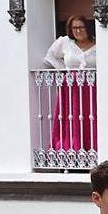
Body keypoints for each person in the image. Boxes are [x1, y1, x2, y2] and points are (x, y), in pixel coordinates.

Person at [44, 16, 97, 155]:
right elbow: (50, 57)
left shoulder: (98, 43)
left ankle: (93, 149)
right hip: (71, 89)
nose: (78, 31)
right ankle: (71, 150)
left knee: (91, 117)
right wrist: (66, 70)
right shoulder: (65, 42)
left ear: (88, 28)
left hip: (93, 88)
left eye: (81, 27)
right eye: (74, 28)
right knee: (72, 117)